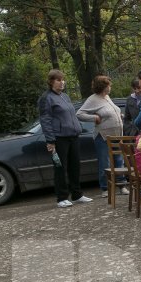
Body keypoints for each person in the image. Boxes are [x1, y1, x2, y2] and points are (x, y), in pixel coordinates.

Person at [38, 69, 93, 208]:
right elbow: (45, 120)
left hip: (73, 136)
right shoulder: (46, 98)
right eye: (58, 80)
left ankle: (77, 195)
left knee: (75, 166)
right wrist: (50, 141)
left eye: (63, 80)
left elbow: (71, 115)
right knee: (60, 168)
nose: (62, 82)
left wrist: (78, 127)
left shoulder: (65, 96)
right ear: (51, 82)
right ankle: (62, 197)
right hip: (59, 138)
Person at [76, 75, 128, 198]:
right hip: (103, 136)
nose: (110, 87)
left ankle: (121, 185)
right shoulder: (93, 99)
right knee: (105, 162)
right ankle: (105, 188)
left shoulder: (107, 97)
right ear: (103, 86)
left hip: (116, 136)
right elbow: (79, 114)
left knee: (118, 161)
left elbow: (109, 112)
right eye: (108, 85)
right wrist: (94, 117)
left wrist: (119, 115)